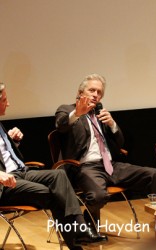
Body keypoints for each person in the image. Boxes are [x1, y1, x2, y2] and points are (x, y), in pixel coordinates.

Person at [0, 82, 107, 250]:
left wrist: (12, 142)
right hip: (5, 183)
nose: (8, 103)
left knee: (58, 175)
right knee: (54, 194)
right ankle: (77, 240)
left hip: (20, 172)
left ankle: (79, 229)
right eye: (5, 100)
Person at [55, 73, 156, 228]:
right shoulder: (66, 110)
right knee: (98, 196)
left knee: (153, 174)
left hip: (110, 165)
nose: (96, 95)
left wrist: (112, 124)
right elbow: (61, 126)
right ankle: (88, 222)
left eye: (99, 92)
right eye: (92, 90)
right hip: (84, 167)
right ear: (80, 93)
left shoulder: (100, 114)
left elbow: (120, 143)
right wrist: (78, 113)